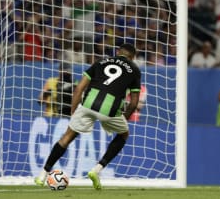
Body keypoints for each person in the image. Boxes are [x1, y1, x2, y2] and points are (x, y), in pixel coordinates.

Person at [34, 43, 141, 190]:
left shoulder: (100, 62)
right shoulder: (134, 70)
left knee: (67, 136)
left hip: (88, 103)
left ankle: (43, 174)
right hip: (110, 108)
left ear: (117, 52)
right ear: (132, 58)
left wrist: (74, 113)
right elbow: (134, 103)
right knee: (124, 135)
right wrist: (124, 119)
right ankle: (96, 170)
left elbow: (79, 88)